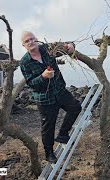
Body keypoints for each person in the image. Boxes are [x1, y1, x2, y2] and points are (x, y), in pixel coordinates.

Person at [20, 31, 81, 163]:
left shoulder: (47, 48)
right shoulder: (24, 63)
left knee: (75, 107)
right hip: (44, 98)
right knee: (48, 126)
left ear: (36, 39)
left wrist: (71, 45)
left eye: (32, 39)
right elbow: (31, 83)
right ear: (23, 45)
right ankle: (49, 153)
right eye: (27, 41)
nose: (30, 42)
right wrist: (43, 76)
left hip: (59, 90)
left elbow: (65, 45)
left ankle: (63, 134)